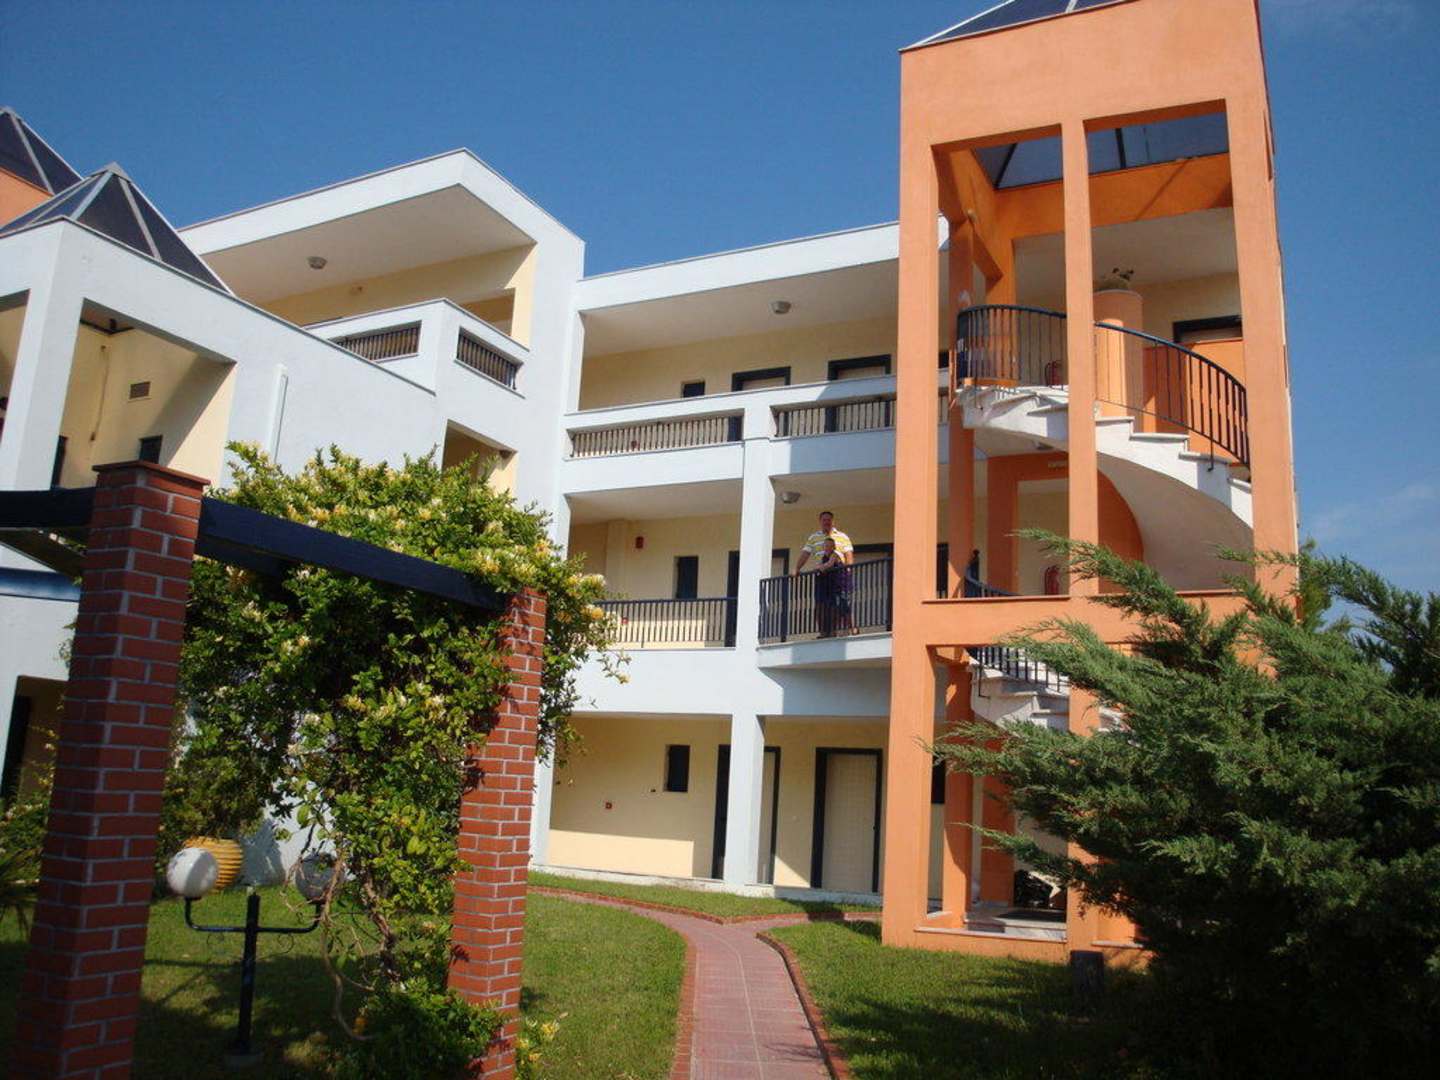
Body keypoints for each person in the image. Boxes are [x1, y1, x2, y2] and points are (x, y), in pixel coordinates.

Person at [795, 511, 853, 637]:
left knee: (839, 603)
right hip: (822, 577)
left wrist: (848, 572)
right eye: (824, 520)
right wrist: (797, 569)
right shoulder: (813, 538)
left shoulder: (842, 537)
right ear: (820, 522)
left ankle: (844, 629)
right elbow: (805, 554)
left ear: (833, 521)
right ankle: (823, 631)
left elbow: (848, 555)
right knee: (821, 604)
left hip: (838, 576)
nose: (826, 522)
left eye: (829, 520)